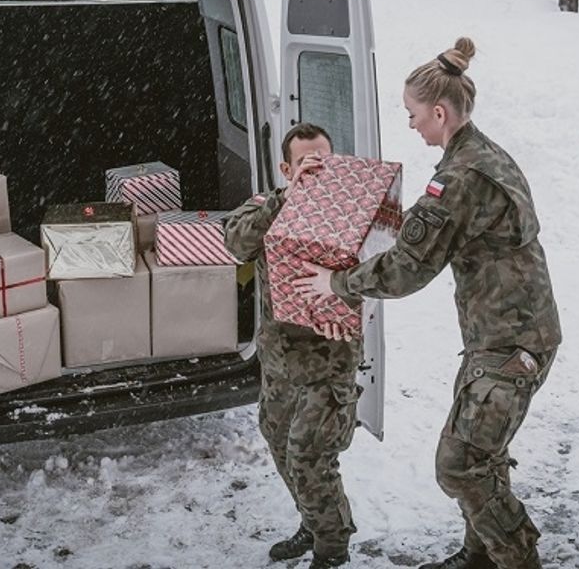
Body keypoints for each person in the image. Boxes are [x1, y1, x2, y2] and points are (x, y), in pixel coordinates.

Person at [293, 38, 561, 569]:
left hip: (512, 342)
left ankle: (519, 559)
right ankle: (480, 556)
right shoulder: (481, 154)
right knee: (483, 454)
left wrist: (338, 283)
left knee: (461, 464)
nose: (411, 125)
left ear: (440, 113)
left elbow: (406, 269)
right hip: (501, 335)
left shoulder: (460, 179)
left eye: (414, 115)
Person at [223, 122, 361, 569]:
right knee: (281, 443)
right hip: (280, 362)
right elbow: (235, 243)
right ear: (286, 167)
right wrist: (286, 200)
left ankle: (331, 548)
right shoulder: (268, 205)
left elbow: (382, 268)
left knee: (310, 455)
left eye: (324, 158)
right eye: (306, 161)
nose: (317, 167)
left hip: (328, 362)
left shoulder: (350, 212)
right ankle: (312, 522)